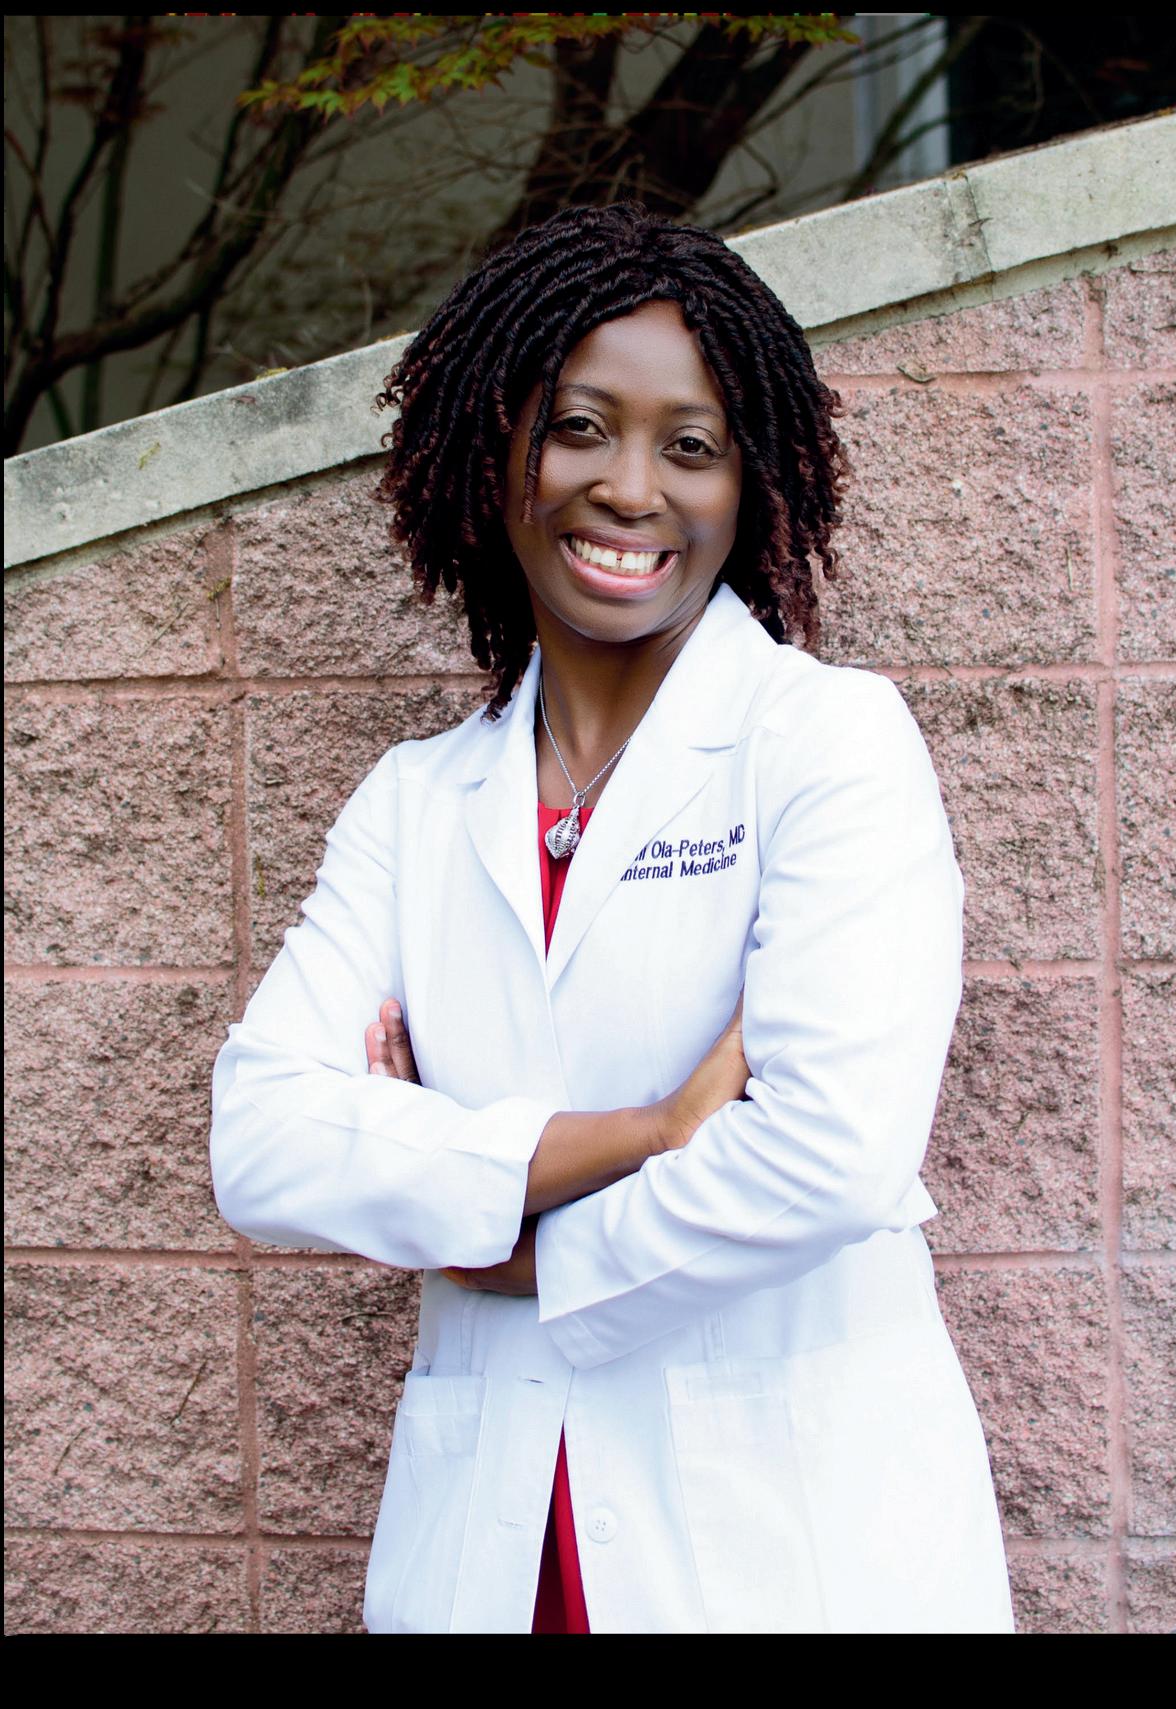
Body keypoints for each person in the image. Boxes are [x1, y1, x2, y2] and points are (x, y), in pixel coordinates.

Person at [210, 199, 1016, 1634]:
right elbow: (266, 1139)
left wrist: (490, 1233)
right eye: (580, 428)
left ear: (747, 484)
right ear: (496, 449)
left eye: (690, 446)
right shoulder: (417, 803)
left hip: (785, 1555)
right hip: (489, 1549)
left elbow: (830, 1157)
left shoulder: (823, 744)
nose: (629, 488)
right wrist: (653, 1130)